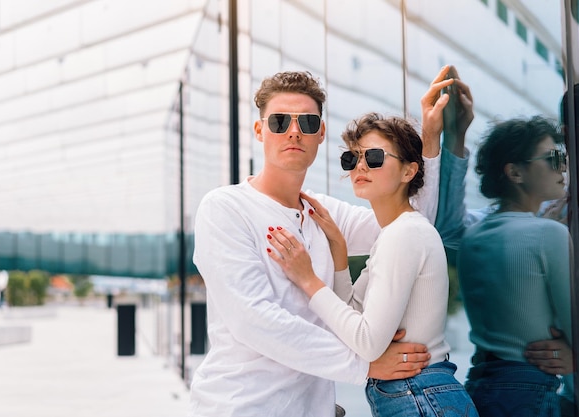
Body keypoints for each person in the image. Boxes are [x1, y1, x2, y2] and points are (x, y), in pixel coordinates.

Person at [189, 68, 456, 417]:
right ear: (259, 130)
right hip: (240, 407)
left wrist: (429, 141)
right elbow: (252, 319)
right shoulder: (225, 208)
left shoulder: (323, 213)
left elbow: (410, 216)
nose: (294, 132)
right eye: (280, 122)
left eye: (308, 123)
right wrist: (364, 364)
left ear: (321, 134)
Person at [266, 112, 478, 416]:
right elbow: (349, 318)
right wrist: (339, 250)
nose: (360, 166)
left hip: (418, 395)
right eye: (353, 159)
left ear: (408, 171)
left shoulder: (405, 234)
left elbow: (366, 342)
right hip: (417, 395)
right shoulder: (394, 234)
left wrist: (308, 279)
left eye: (374, 157)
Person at [434, 82, 577, 415]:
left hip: (480, 385)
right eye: (553, 158)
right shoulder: (548, 232)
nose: (562, 167)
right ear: (515, 172)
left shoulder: (474, 236)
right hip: (531, 388)